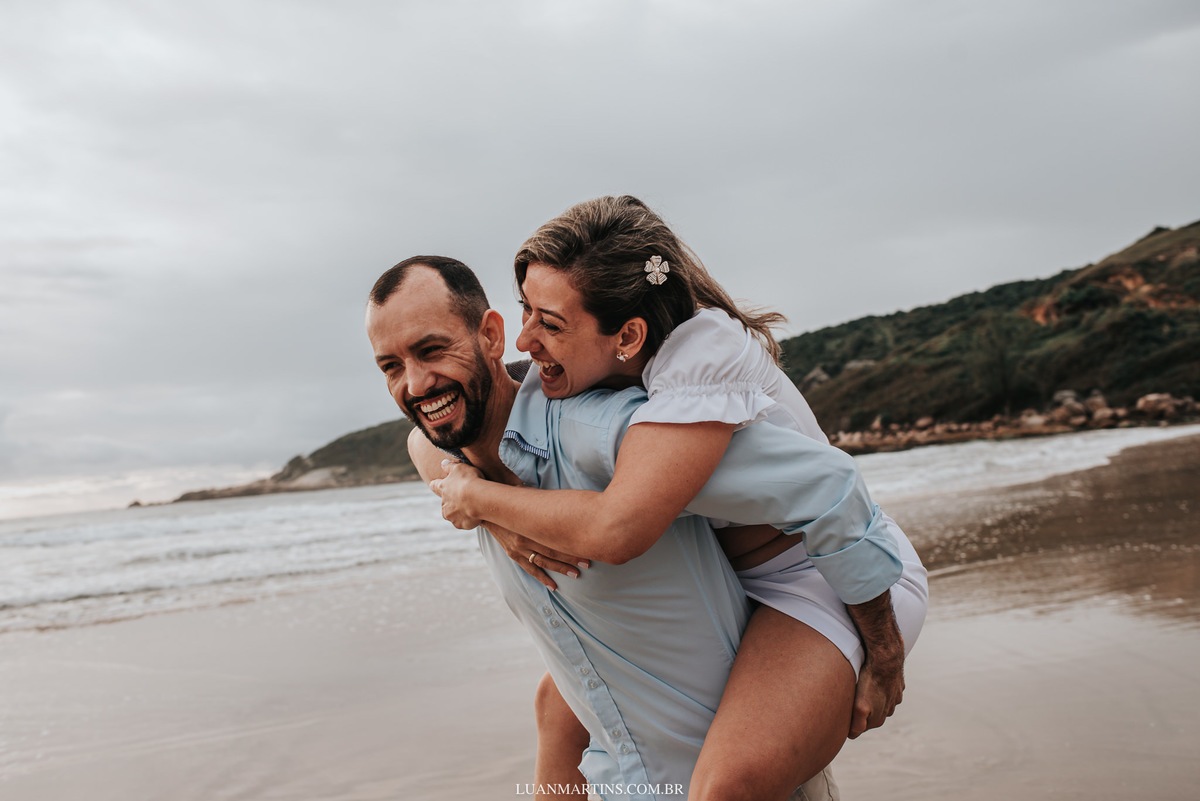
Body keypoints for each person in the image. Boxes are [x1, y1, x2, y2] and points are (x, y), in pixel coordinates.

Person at [425, 196, 928, 800]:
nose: (526, 339)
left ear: (629, 335)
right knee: (555, 710)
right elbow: (431, 430)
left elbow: (622, 528)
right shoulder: (595, 369)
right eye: (525, 310)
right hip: (727, 584)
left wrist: (885, 648)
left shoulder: (698, 363)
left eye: (550, 323)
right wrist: (495, 514)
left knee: (724, 787)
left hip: (823, 579)